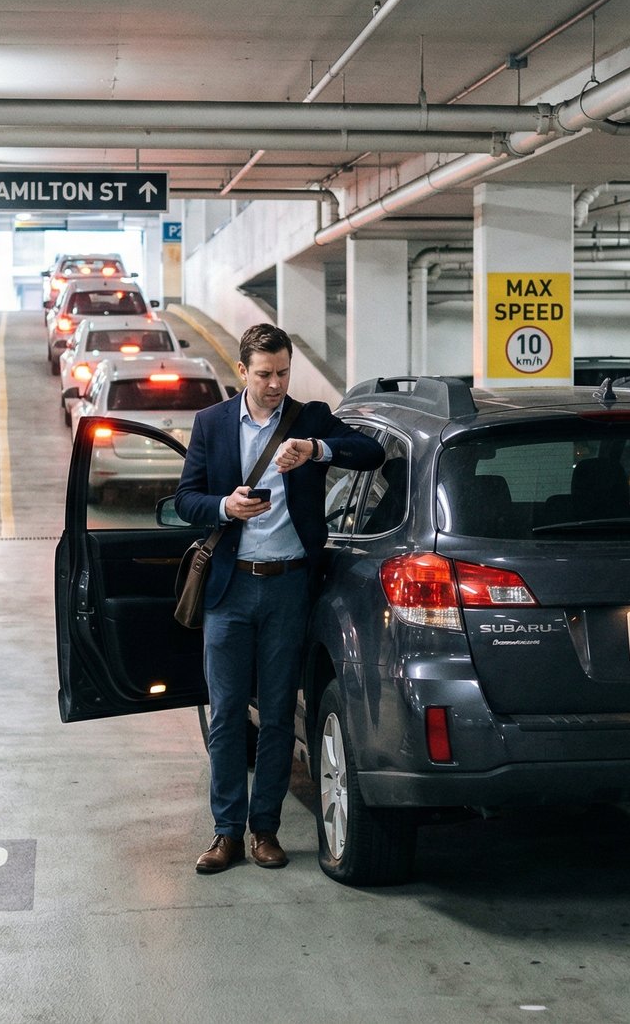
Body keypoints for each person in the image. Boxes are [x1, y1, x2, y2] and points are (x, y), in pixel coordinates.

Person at [174, 323, 384, 874]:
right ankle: (226, 833)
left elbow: (370, 451)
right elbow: (185, 499)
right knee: (225, 715)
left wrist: (318, 449)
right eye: (264, 374)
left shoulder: (309, 418)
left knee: (275, 716)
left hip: (290, 585)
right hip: (230, 586)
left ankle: (264, 830)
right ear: (242, 371)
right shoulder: (212, 424)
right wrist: (226, 507)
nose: (274, 383)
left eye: (283, 372)